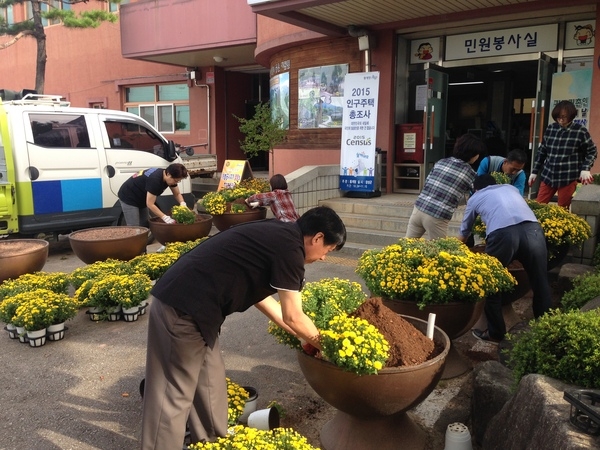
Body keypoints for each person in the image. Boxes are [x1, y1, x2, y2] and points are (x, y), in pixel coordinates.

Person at [140, 206, 346, 449]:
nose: (323, 257)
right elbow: (293, 315)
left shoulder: (280, 235)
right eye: (328, 250)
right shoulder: (290, 249)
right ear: (318, 238)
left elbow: (266, 302)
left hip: (201, 313)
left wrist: (306, 339)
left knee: (210, 386)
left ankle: (210, 444)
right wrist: (329, 347)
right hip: (181, 307)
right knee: (172, 396)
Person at [458, 175, 552, 343]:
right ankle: (546, 330)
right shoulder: (511, 188)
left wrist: (457, 249)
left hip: (503, 235)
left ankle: (495, 333)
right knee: (540, 281)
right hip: (533, 230)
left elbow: (465, 230)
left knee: (491, 283)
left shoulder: (475, 198)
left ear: (476, 189)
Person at [405, 133, 483, 239]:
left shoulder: (441, 162)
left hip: (418, 209)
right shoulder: (470, 174)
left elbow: (427, 184)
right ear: (473, 154)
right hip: (437, 216)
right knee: (439, 252)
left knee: (406, 248)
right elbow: (478, 194)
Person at [529, 100, 597, 209]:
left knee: (562, 209)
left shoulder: (580, 131)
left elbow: (592, 151)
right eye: (558, 117)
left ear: (571, 115)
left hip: (568, 176)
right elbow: (542, 151)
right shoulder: (551, 128)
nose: (560, 120)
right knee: (538, 206)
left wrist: (585, 168)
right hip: (549, 175)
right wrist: (534, 171)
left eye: (564, 117)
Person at [117, 163, 188, 227]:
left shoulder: (168, 176)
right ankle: (133, 241)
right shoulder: (155, 180)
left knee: (145, 224)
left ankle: (143, 241)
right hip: (129, 196)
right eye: (176, 181)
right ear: (168, 174)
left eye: (179, 181)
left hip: (142, 197)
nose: (176, 182)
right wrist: (165, 217)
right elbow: (150, 204)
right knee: (134, 226)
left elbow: (177, 194)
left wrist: (182, 203)